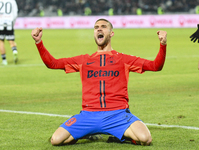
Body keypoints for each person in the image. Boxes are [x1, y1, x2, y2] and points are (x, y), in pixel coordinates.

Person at [31, 18, 167, 146]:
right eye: (96, 27)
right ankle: (87, 133)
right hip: (88, 115)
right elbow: (52, 63)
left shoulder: (124, 59)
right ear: (94, 33)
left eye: (103, 27)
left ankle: (121, 136)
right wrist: (38, 42)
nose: (99, 29)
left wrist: (163, 44)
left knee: (145, 139)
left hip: (117, 114)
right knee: (56, 140)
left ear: (111, 33)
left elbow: (156, 66)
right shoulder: (83, 60)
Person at [0, 0, 18, 65]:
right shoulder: (12, 1)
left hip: (0, 23)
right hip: (9, 22)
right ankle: (14, 50)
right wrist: (12, 23)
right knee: (11, 40)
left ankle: (4, 60)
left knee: (1, 41)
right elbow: (15, 13)